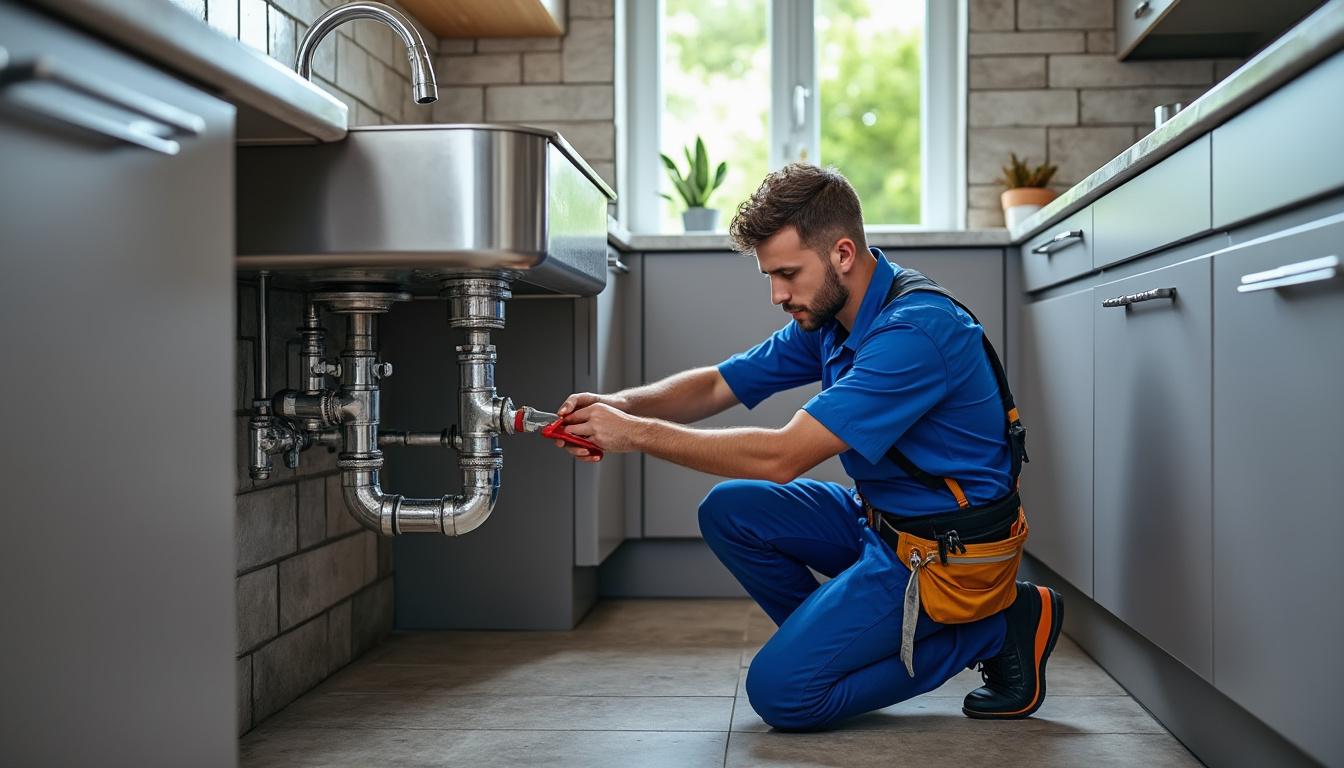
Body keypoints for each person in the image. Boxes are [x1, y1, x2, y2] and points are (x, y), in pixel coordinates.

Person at [550, 163, 1063, 731]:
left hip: (942, 555)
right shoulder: (835, 318)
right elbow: (722, 382)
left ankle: (996, 624)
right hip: (882, 525)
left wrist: (635, 435)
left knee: (782, 695)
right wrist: (620, 404)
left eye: (788, 273)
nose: (777, 294)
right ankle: (837, 646)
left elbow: (781, 457)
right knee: (730, 509)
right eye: (770, 275)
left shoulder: (913, 335)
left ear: (842, 254)